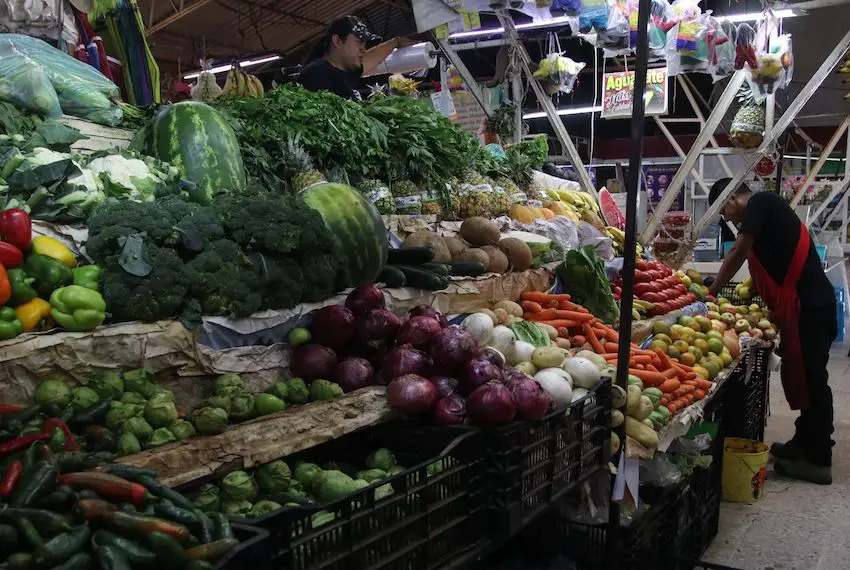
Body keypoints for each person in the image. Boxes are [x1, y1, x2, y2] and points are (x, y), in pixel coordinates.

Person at [706, 180, 837, 485]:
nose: (731, 220)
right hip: (807, 307)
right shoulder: (767, 211)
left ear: (734, 196)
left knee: (814, 381)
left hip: (812, 308)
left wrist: (711, 293)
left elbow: (739, 251)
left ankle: (820, 460)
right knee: (803, 376)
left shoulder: (762, 202)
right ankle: (803, 444)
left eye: (725, 210)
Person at [299, 15, 414, 100]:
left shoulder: (346, 72)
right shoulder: (317, 73)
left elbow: (372, 58)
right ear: (337, 41)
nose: (363, 49)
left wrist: (396, 42)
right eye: (359, 41)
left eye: (364, 44)